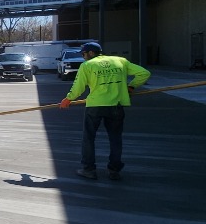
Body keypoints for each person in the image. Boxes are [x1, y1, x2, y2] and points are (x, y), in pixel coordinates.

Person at [59, 41, 150, 180]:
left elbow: (79, 86)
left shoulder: (87, 65)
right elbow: (144, 73)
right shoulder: (120, 61)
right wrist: (131, 87)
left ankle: (89, 169)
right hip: (116, 106)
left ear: (90, 53)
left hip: (95, 106)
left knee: (89, 138)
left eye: (83, 54)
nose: (83, 57)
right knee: (115, 139)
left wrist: (68, 99)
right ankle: (114, 170)